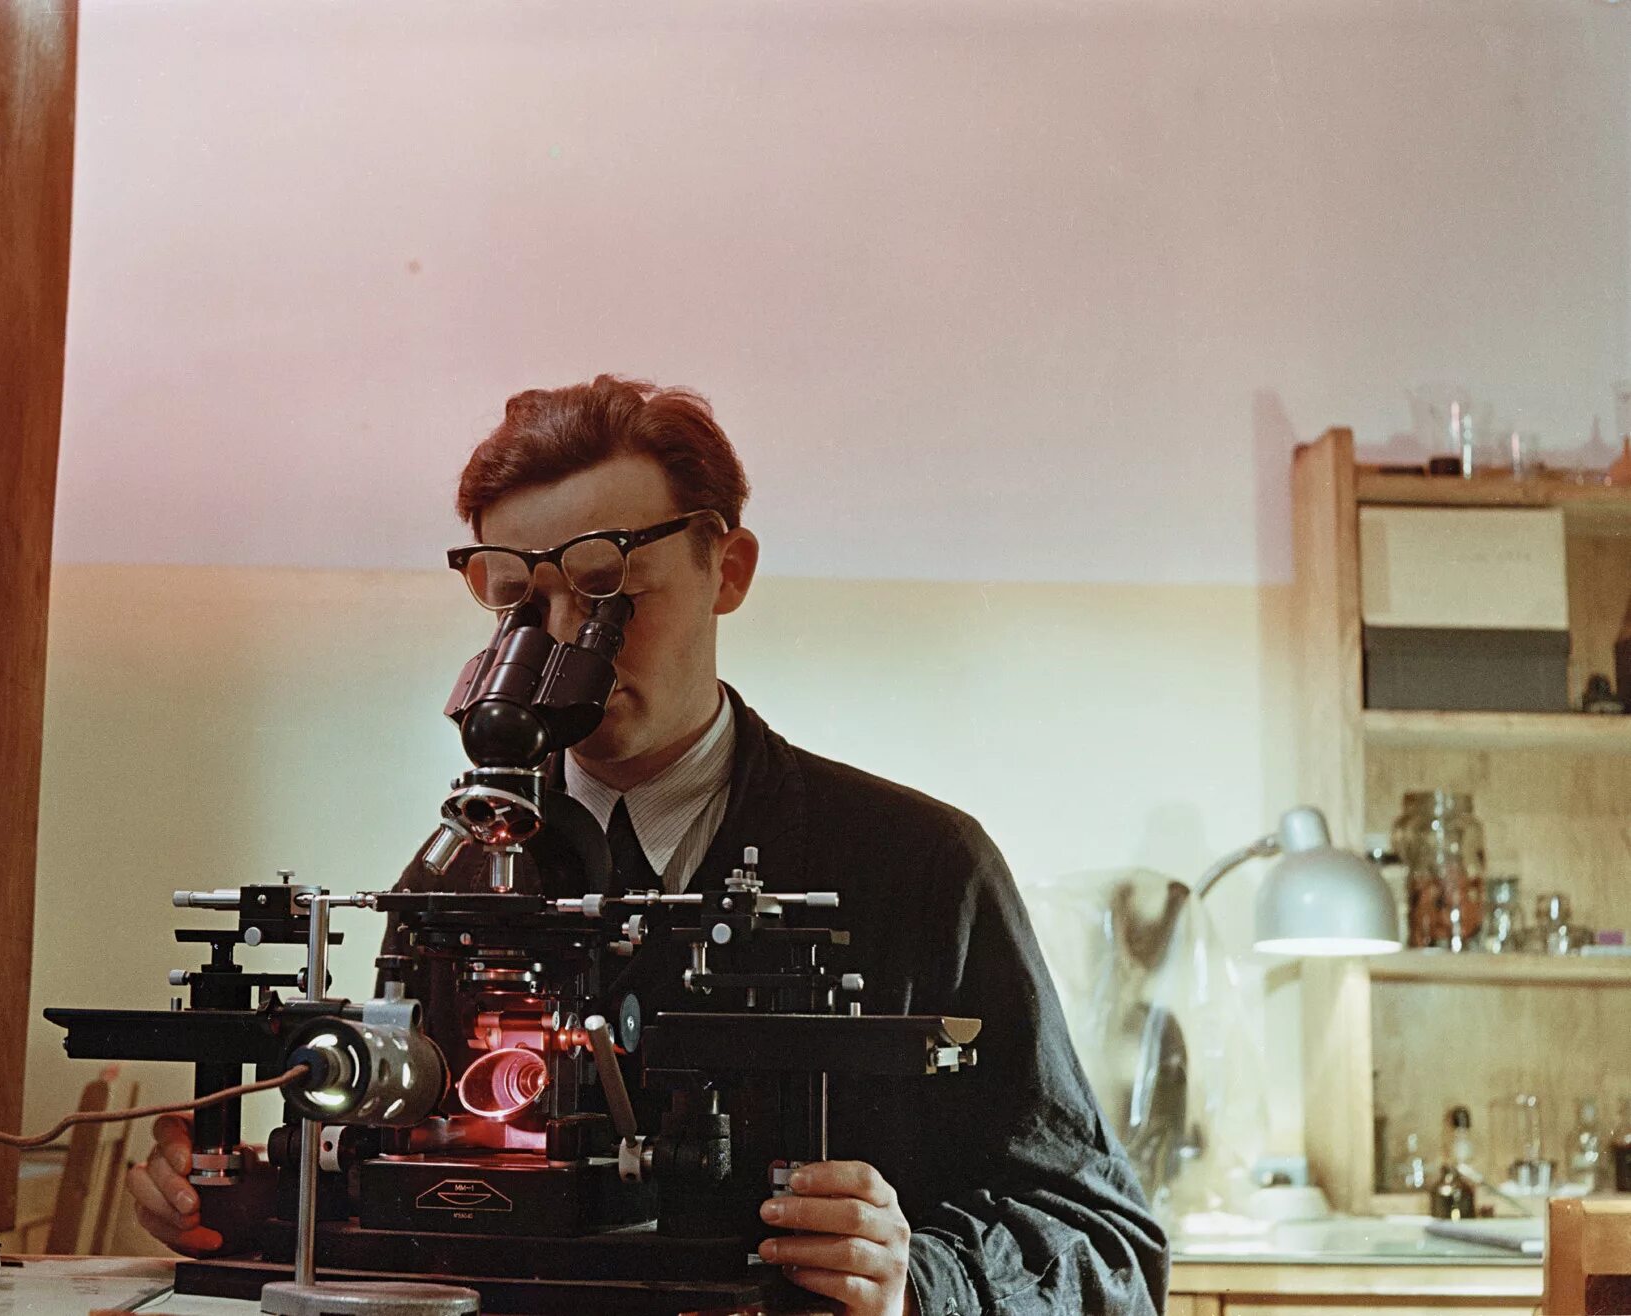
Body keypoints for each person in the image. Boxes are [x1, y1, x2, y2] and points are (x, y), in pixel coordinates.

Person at [130, 375, 1169, 1315]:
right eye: (520, 603)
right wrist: (244, 1198)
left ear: (729, 568)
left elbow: (1106, 1246)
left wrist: (917, 1278)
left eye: (608, 592)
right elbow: (407, 1180)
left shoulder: (921, 864)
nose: (561, 641)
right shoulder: (457, 877)